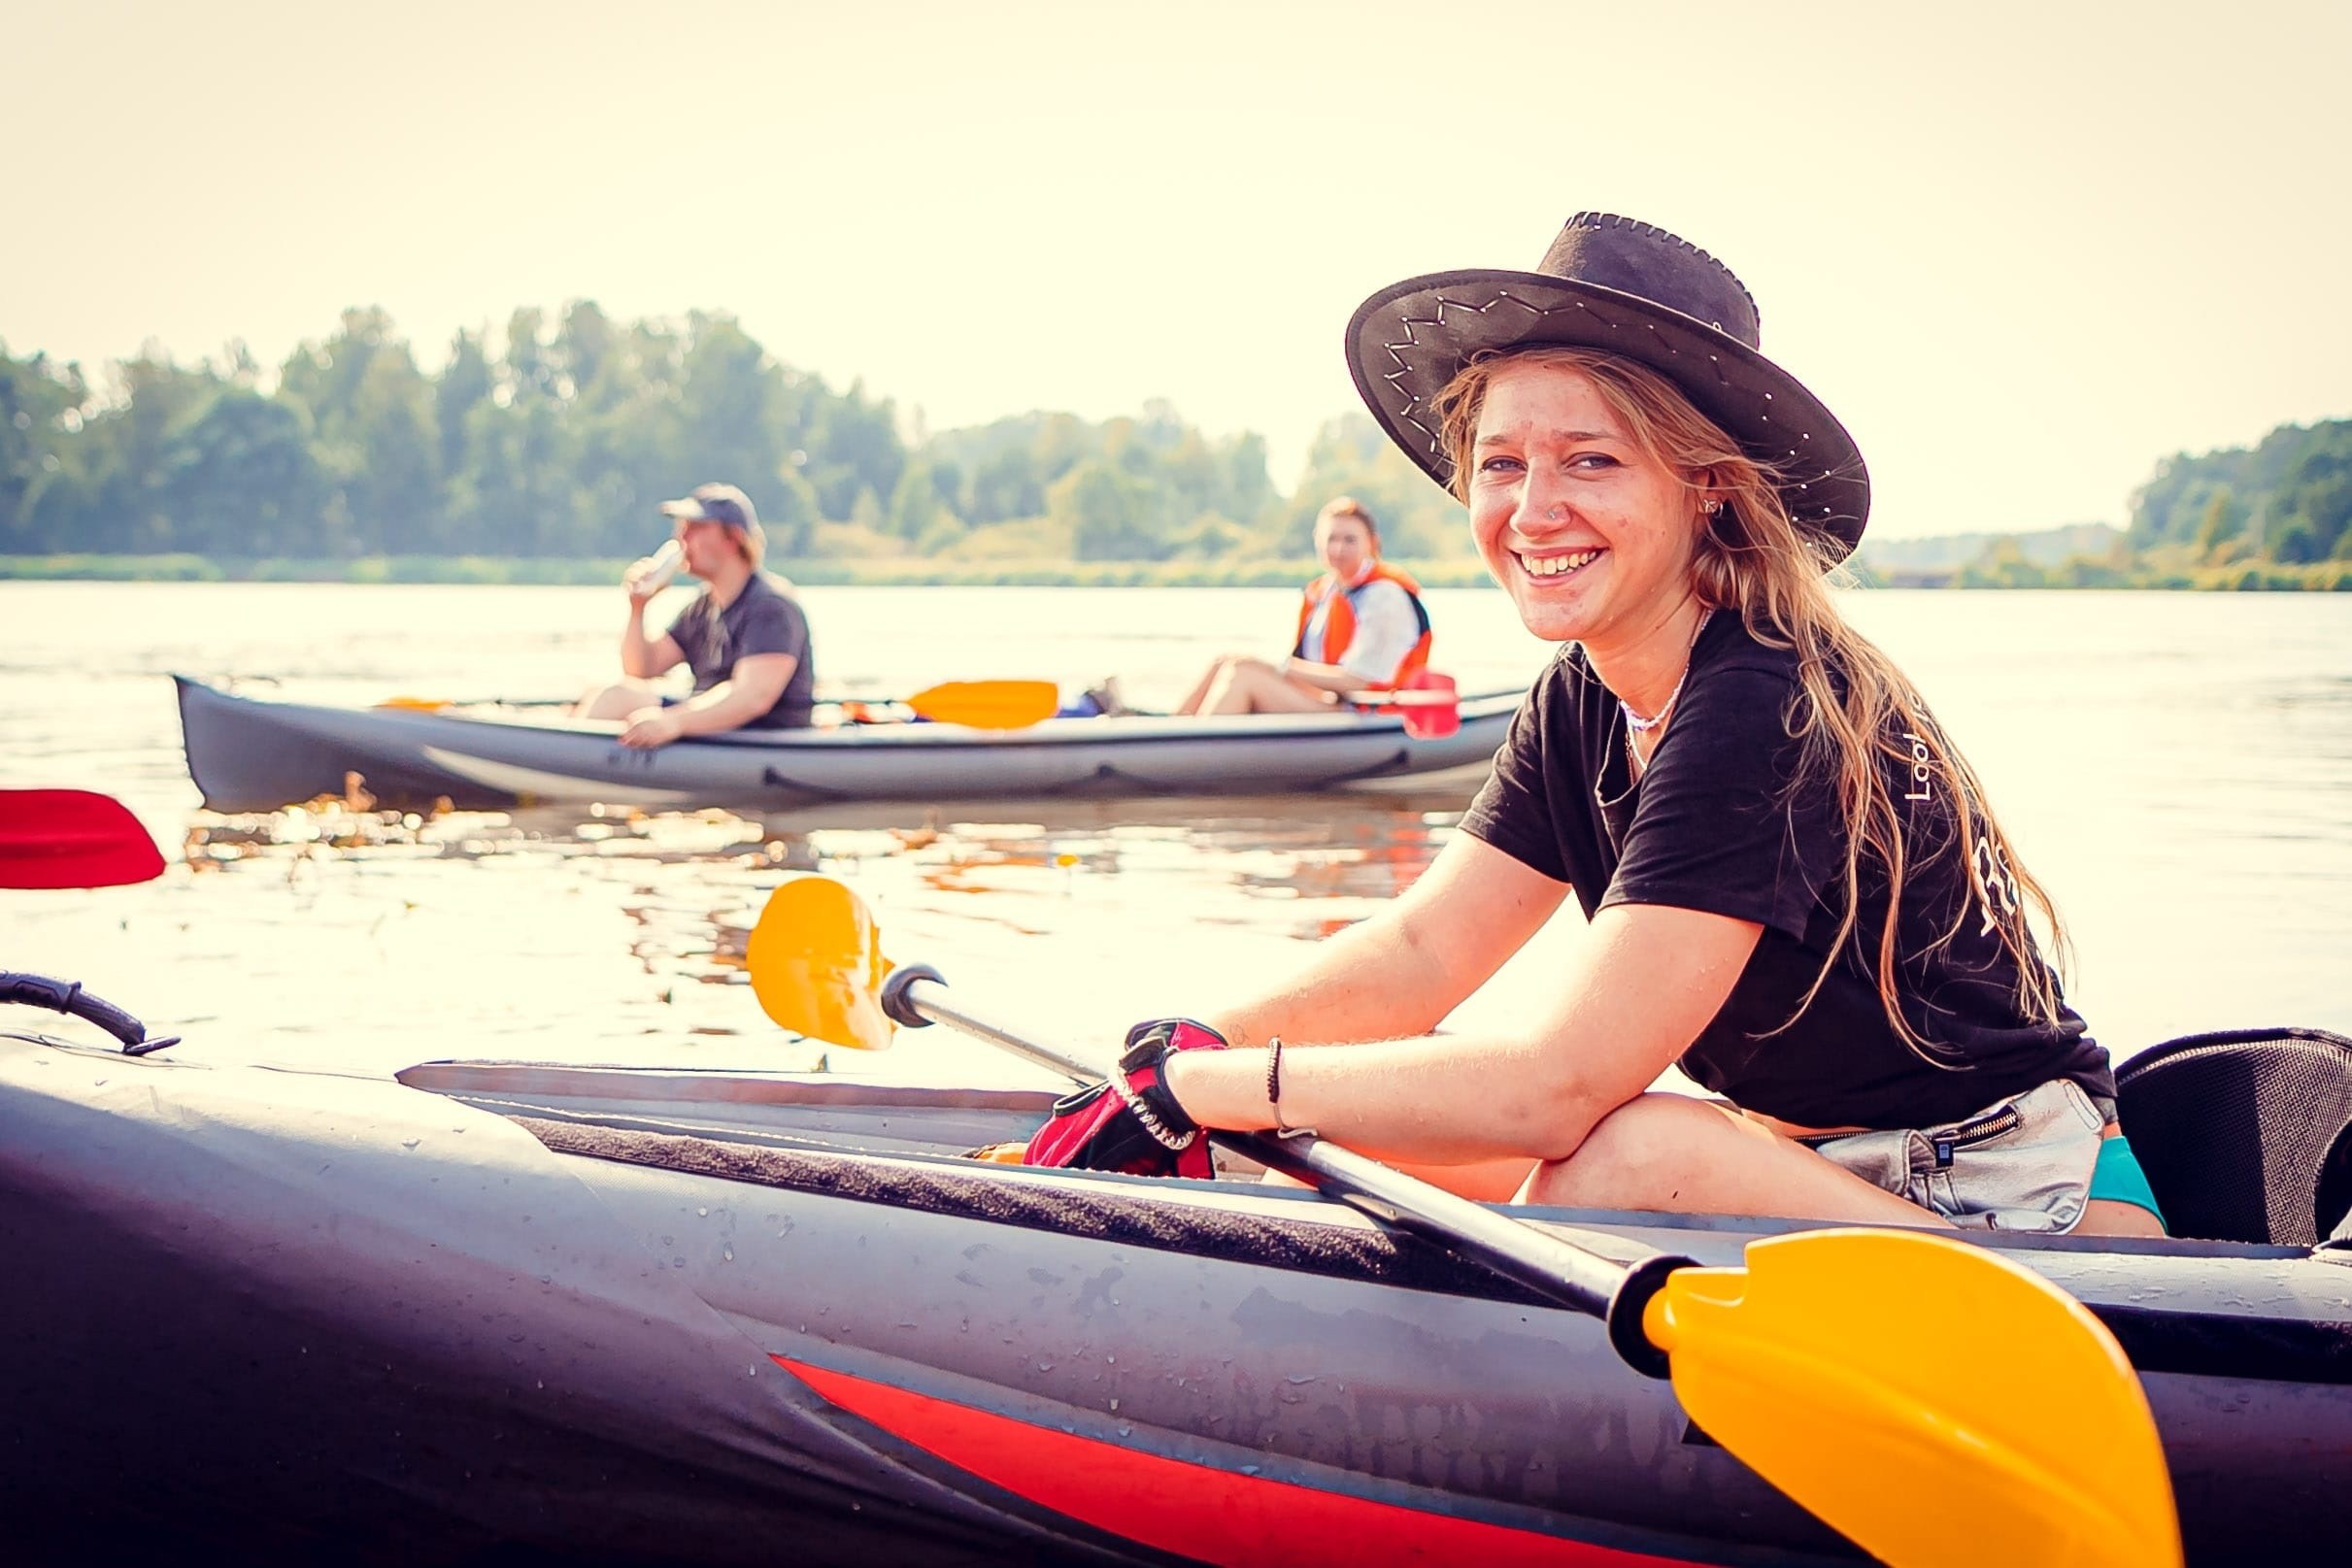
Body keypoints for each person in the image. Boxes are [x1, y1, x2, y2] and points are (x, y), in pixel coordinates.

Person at [1025, 212, 2167, 1239]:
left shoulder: (1768, 696)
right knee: (1352, 1122)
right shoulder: (1583, 692)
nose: (1533, 511)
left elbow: (1558, 1083)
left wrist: (1210, 1093)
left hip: (2019, 1203)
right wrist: (1176, 1053)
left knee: (1629, 1148)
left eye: (1591, 461)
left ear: (1706, 485)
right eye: (1502, 464)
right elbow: (1419, 955)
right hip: (1814, 1165)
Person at [575, 483, 817, 747]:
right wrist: (638, 608)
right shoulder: (702, 608)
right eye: (681, 528)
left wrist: (672, 721)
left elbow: (752, 697)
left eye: (696, 528)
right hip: (714, 728)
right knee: (611, 694)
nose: (681, 539)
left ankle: (562, 765)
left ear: (732, 538)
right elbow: (640, 670)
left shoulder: (772, 606)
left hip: (761, 735)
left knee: (618, 697)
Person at [1173, 497, 1432, 715]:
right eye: (1331, 539)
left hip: (1365, 712)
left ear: (1372, 544)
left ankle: (1190, 756)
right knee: (1228, 660)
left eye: (1350, 540)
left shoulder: (1384, 596)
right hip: (1328, 701)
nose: (1338, 548)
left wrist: (1282, 666)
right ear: (1318, 541)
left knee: (1243, 674)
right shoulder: (1326, 591)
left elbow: (1358, 680)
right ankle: (1171, 735)